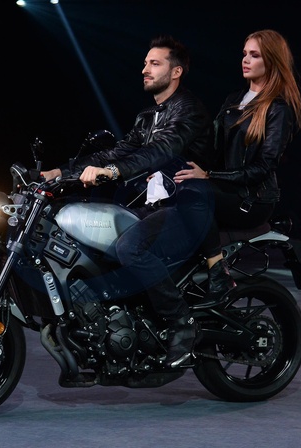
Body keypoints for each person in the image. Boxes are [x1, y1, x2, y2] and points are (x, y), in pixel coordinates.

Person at [41, 35, 214, 368]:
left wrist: (111, 172)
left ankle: (182, 323)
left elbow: (160, 151)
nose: (145, 69)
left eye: (155, 63)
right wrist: (58, 172)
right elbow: (115, 152)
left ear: (176, 71)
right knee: (101, 238)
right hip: (157, 206)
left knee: (130, 248)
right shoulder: (148, 116)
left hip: (187, 207)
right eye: (145, 63)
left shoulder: (188, 110)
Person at [174, 29, 301, 301]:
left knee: (193, 192)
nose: (245, 60)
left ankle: (218, 272)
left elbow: (263, 167)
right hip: (224, 188)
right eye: (245, 54)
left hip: (253, 198)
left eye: (254, 55)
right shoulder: (233, 101)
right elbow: (212, 148)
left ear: (271, 61)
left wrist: (209, 176)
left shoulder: (278, 109)